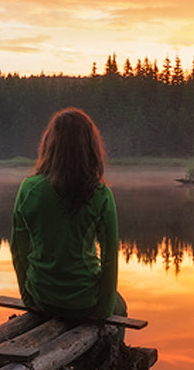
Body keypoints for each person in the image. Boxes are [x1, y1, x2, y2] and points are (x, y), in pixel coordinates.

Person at [10, 107, 126, 326]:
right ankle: (109, 357)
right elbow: (110, 257)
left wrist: (28, 298)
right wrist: (103, 310)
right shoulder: (100, 194)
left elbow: (19, 248)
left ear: (50, 144)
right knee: (121, 308)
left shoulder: (28, 189)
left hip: (41, 297)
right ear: (91, 148)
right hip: (84, 300)